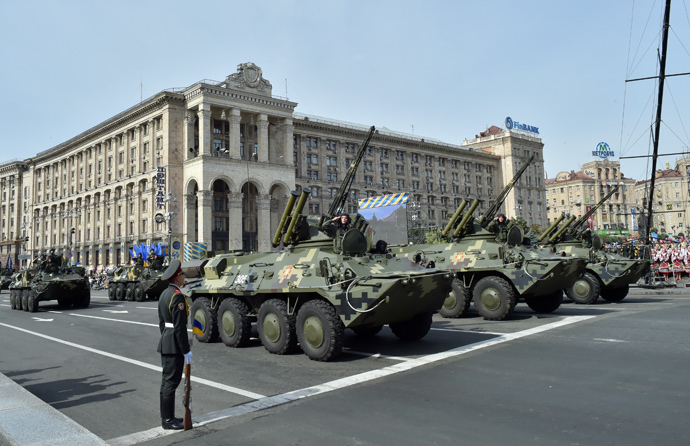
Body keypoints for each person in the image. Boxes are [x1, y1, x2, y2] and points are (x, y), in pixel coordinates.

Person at [157, 259, 192, 430]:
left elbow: (162, 323)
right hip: (174, 345)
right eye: (183, 274)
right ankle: (168, 421)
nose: (185, 276)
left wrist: (166, 339)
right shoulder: (177, 296)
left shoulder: (165, 294)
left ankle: (167, 418)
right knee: (171, 383)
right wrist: (185, 350)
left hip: (166, 342)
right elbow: (180, 327)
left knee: (166, 383)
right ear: (177, 277)